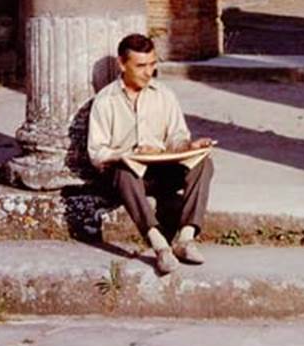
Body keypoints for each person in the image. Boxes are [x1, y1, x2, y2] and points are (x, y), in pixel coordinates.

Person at [87, 33, 214, 275]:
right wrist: (130, 153)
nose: (148, 72)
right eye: (141, 66)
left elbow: (176, 136)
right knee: (124, 171)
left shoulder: (164, 95)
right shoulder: (105, 101)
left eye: (153, 64)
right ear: (122, 64)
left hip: (161, 169)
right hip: (128, 176)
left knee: (204, 163)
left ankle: (186, 239)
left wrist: (189, 146)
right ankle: (159, 245)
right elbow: (97, 152)